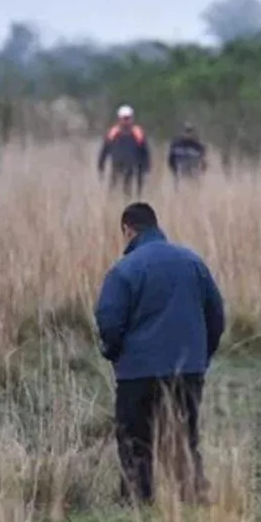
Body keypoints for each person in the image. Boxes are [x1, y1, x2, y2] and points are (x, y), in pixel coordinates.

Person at [94, 202, 226, 505]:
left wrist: (114, 353)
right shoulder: (193, 262)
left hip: (138, 374)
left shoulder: (124, 269)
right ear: (156, 226)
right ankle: (192, 501)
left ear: (127, 230)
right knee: (184, 440)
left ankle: (138, 503)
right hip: (188, 371)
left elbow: (109, 322)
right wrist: (201, 358)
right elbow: (216, 317)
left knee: (135, 442)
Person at [98, 105, 151, 196]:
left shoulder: (138, 133)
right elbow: (104, 150)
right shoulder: (113, 133)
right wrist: (101, 166)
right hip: (116, 166)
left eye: (128, 118)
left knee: (131, 192)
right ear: (119, 119)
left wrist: (145, 167)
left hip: (133, 168)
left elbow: (145, 152)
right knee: (113, 191)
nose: (126, 121)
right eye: (124, 118)